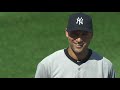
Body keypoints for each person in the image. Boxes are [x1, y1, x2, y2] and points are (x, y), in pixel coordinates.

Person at [35, 13, 116, 78]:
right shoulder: (48, 65)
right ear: (67, 33)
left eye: (84, 34)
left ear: (91, 35)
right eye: (74, 34)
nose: (79, 40)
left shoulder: (105, 66)